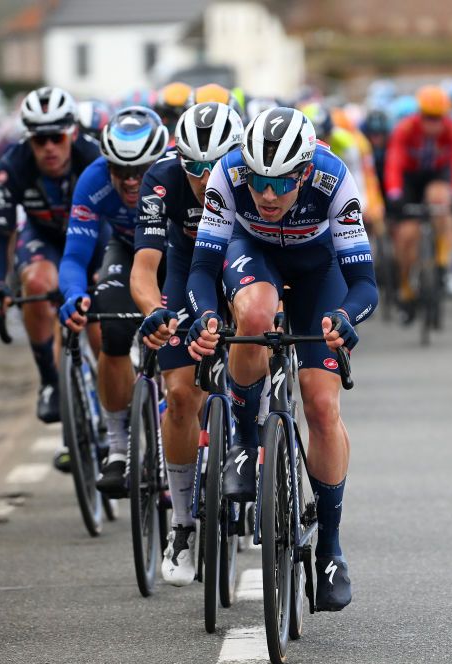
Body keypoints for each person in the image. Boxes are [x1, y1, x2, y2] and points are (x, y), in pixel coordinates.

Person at [185, 107, 377, 610]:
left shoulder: (335, 181)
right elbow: (202, 268)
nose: (267, 195)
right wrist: (205, 317)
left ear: (305, 170)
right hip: (254, 255)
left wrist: (345, 317)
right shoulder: (228, 175)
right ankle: (247, 446)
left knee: (320, 406)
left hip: (320, 272)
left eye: (281, 182)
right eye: (259, 180)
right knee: (253, 316)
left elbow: (364, 285)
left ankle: (330, 548)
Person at [131, 102, 243, 585]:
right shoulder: (161, 180)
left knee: (251, 348)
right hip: (183, 269)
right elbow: (143, 267)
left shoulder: (251, 177)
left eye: (214, 167)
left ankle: (250, 447)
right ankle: (181, 524)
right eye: (193, 167)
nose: (203, 179)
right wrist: (153, 311)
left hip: (239, 264)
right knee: (179, 395)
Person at [58, 107, 170, 495]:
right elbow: (74, 256)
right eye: (120, 171)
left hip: (178, 255)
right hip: (125, 252)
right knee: (113, 327)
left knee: (185, 336)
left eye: (140, 169)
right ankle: (119, 447)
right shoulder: (92, 182)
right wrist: (74, 295)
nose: (131, 180)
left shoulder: (176, 172)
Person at [0, 86, 100, 424]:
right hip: (42, 239)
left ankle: (113, 417)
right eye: (39, 140)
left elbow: (115, 221)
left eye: (56, 138)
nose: (48, 147)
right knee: (35, 282)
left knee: (101, 329)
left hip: (91, 238)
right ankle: (49, 379)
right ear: (27, 140)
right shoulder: (12, 168)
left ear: (71, 133)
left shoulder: (92, 158)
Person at [384, 85, 452, 320]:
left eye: (438, 119)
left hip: (436, 175)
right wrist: (394, 193)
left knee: (440, 198)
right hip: (411, 178)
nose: (433, 124)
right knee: (406, 235)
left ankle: (443, 261)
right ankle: (405, 287)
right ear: (419, 115)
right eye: (427, 118)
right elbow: (393, 163)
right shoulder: (404, 129)